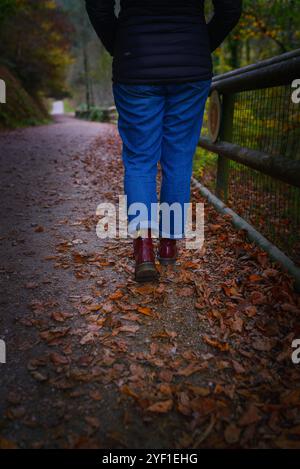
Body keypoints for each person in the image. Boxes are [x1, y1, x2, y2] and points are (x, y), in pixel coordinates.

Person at [85, 0, 242, 282]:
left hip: (135, 64)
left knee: (139, 161)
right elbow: (230, 9)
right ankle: (168, 245)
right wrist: (198, 44)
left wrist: (120, 45)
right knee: (179, 160)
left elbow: (98, 7)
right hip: (190, 67)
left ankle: (143, 250)